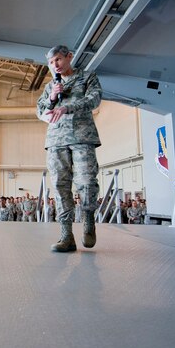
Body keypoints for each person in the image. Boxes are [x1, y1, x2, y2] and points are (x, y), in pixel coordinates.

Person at [37, 45, 102, 252]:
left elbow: (94, 99)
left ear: (69, 57)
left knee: (87, 182)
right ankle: (66, 236)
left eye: (57, 59)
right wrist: (52, 98)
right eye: (51, 62)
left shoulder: (87, 77)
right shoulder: (50, 86)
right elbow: (40, 110)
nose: (54, 65)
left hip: (82, 137)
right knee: (60, 185)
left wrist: (68, 107)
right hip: (56, 140)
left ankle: (88, 220)